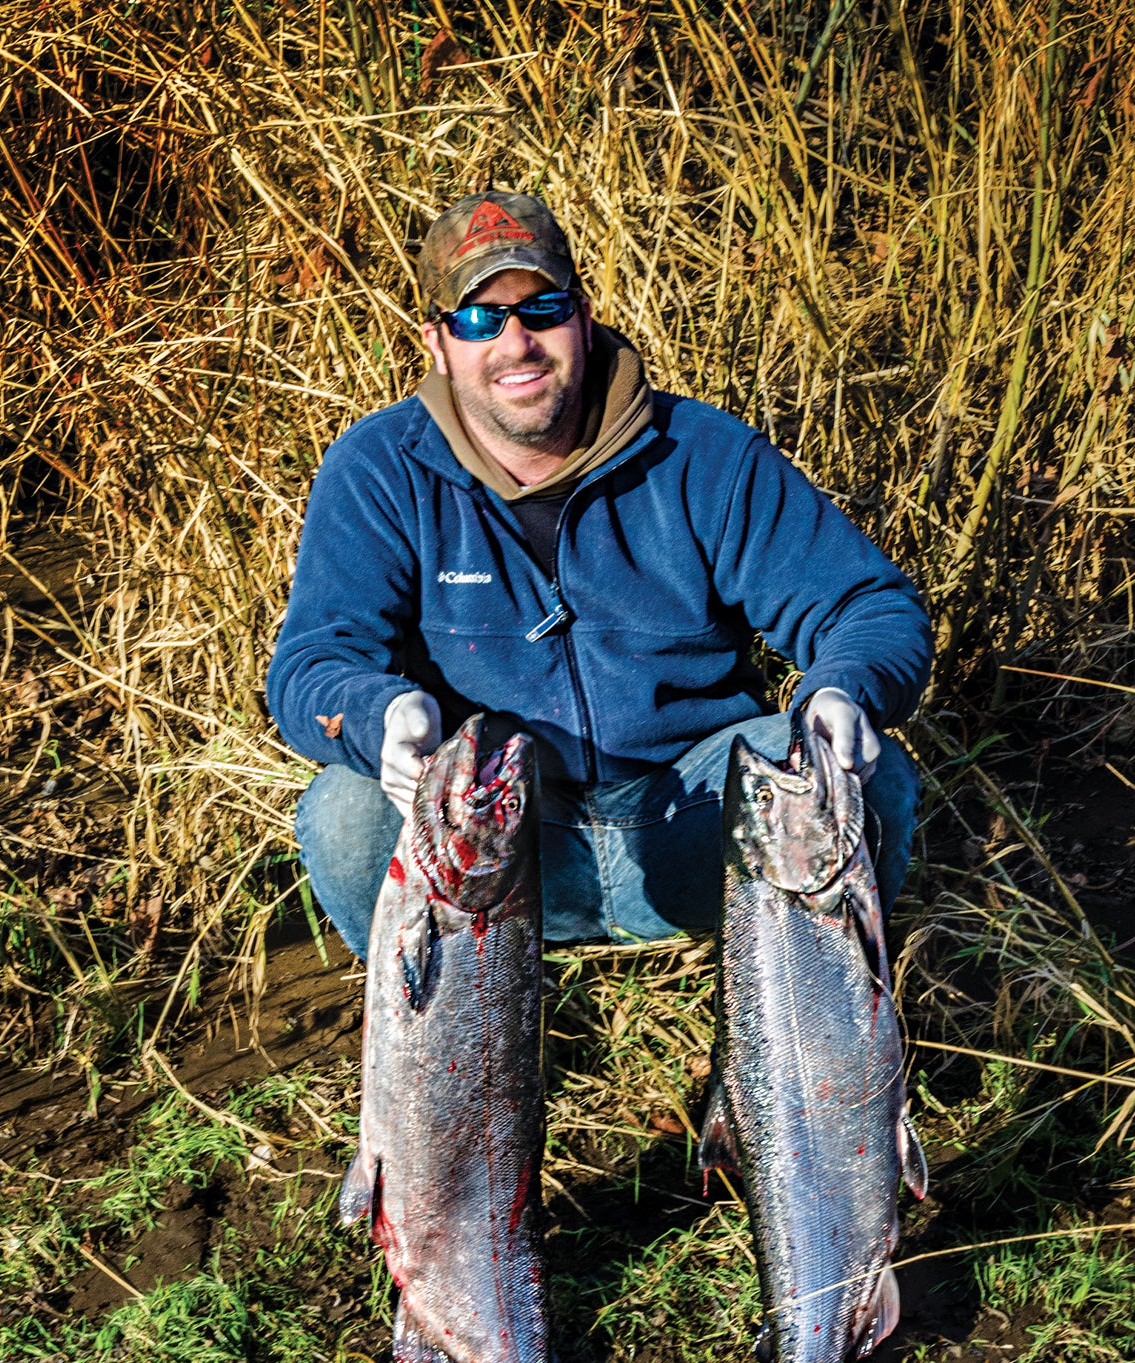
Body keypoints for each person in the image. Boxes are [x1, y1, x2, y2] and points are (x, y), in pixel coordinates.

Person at [267, 189, 930, 954]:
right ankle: (461, 1015)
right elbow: (312, 665)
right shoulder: (380, 469)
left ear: (582, 317)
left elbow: (868, 608)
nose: (516, 343)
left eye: (541, 309)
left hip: (696, 817)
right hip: (494, 838)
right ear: (438, 343)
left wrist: (842, 689)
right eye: (481, 319)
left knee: (857, 779)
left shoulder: (704, 455)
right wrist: (380, 714)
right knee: (344, 813)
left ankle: (792, 1026)